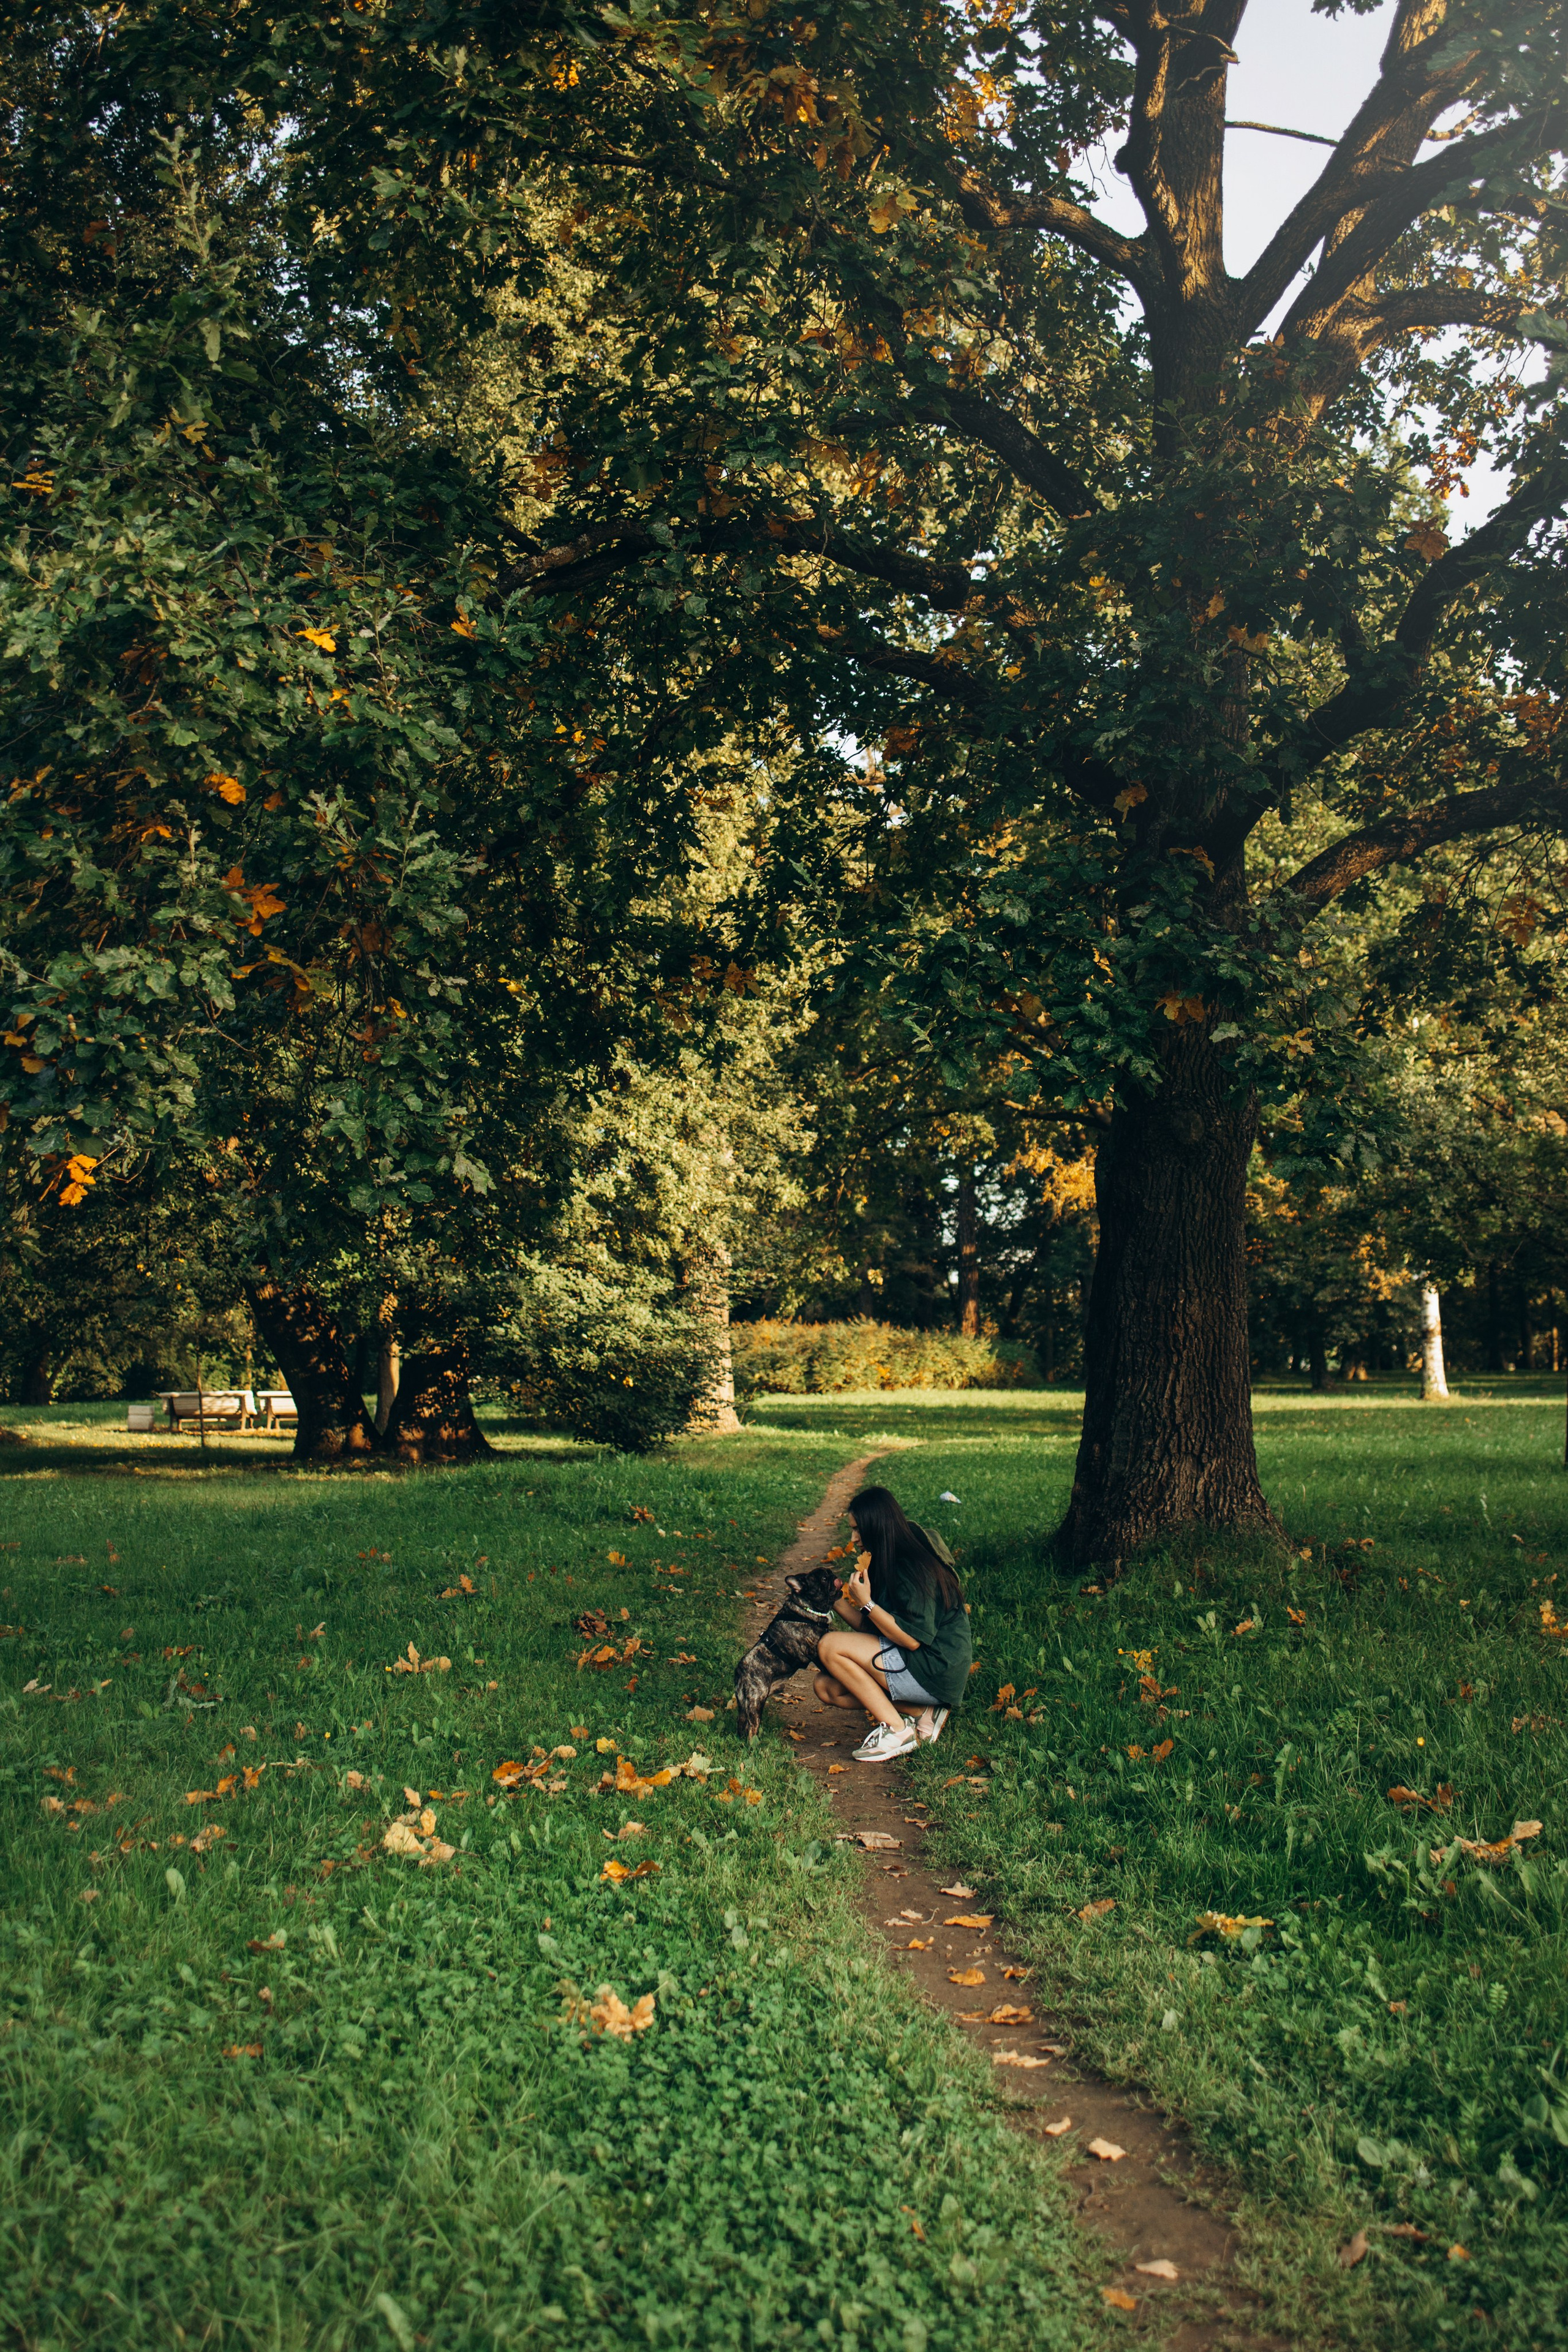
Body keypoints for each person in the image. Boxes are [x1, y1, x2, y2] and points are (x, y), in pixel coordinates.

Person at [814, 1485, 973, 1763]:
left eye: (858, 1530)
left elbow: (912, 1638)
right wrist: (836, 1600)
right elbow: (873, 1630)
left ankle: (899, 1731)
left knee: (829, 1645)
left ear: (876, 1526)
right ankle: (922, 1712)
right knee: (827, 1687)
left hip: (935, 1666)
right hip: (912, 1659)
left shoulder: (912, 1563)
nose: (853, 1539)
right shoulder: (883, 1557)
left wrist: (868, 1604)